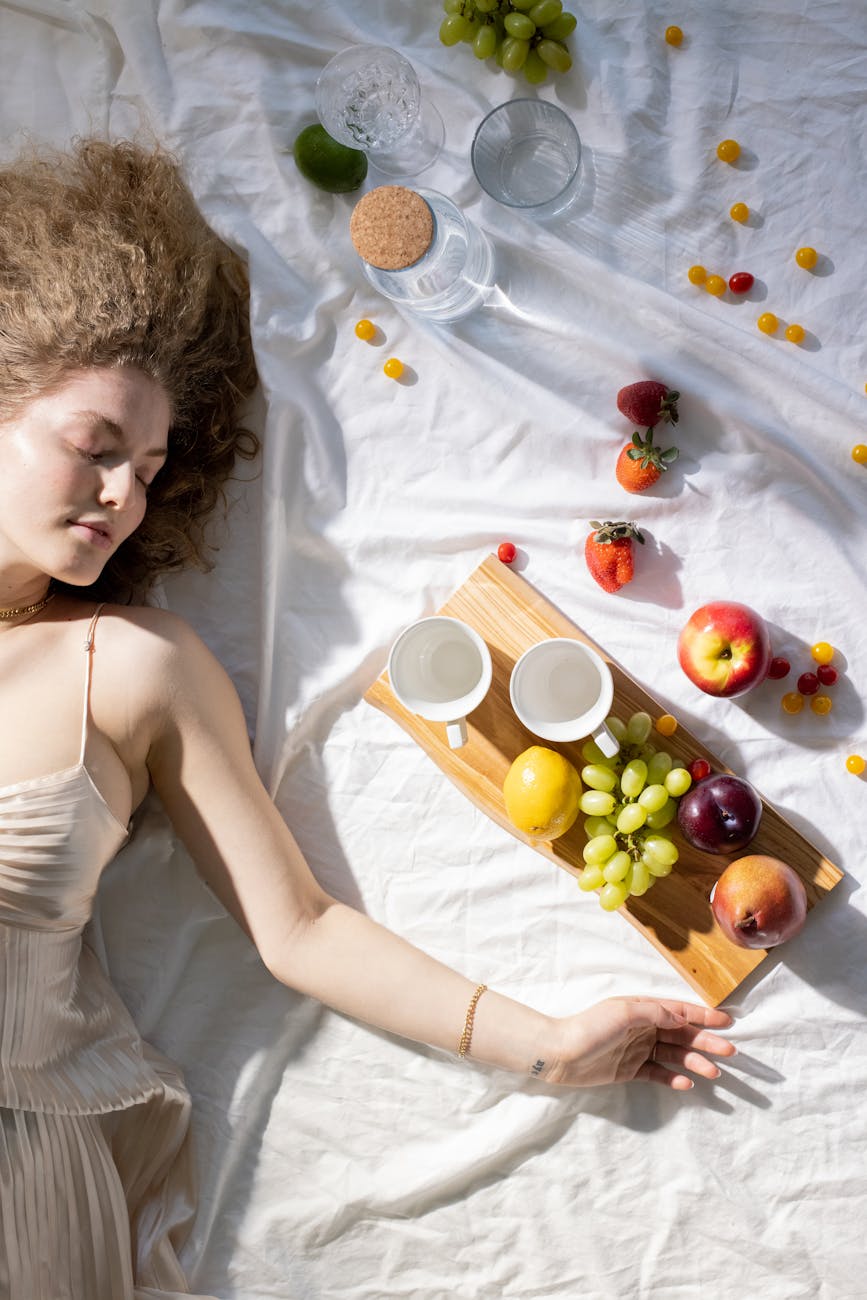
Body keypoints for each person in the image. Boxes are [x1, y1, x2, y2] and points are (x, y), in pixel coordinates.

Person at [0, 137, 735, 1300]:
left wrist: (546, 1044)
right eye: (96, 449)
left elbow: (298, 929)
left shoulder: (131, 668)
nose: (123, 498)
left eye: (147, 469)